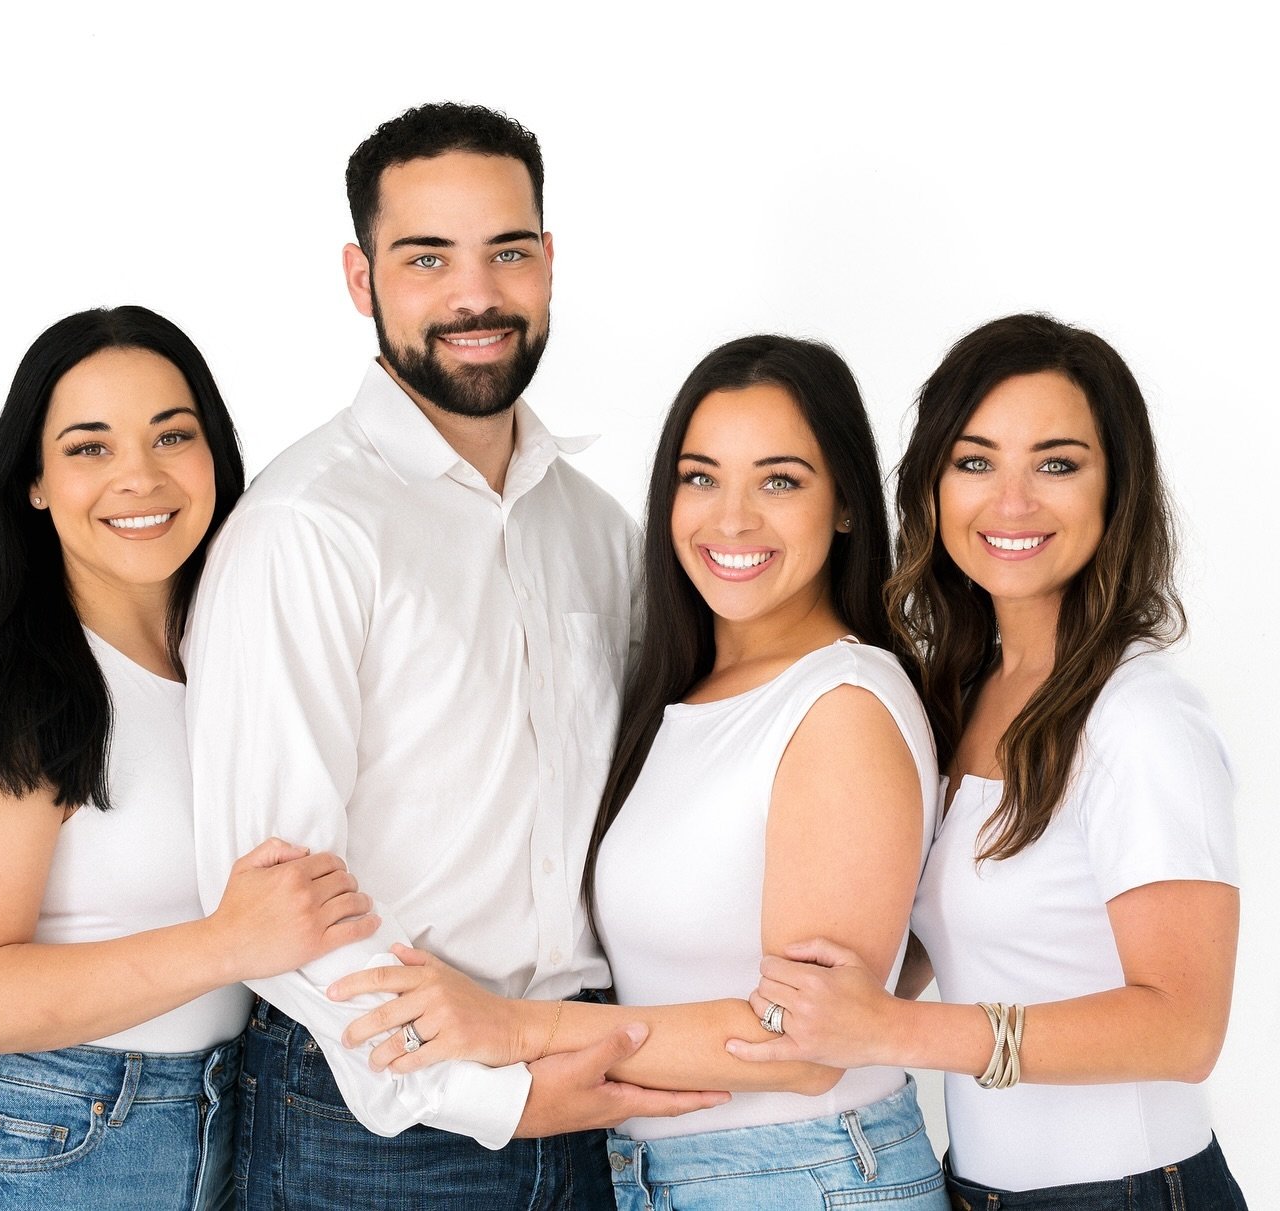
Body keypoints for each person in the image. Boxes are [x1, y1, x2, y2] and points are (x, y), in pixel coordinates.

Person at [184, 103, 723, 1210]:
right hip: (378, 1116)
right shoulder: (308, 528)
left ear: (549, 263)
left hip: (587, 1077)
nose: (476, 295)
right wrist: (490, 1093)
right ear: (359, 275)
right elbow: (277, 890)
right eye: (426, 257)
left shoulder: (597, 527)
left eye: (507, 251)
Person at [330, 335, 950, 1210]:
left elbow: (808, 1044)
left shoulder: (839, 703)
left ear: (846, 503)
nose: (731, 518)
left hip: (800, 1175)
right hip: (666, 1178)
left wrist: (508, 1025)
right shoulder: (680, 692)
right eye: (701, 477)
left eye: (780, 480)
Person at [728, 314, 1248, 1207]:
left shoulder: (1140, 718)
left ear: (1116, 488)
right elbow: (961, 932)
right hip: (976, 1191)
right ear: (930, 486)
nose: (1011, 502)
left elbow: (1182, 1027)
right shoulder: (960, 691)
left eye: (1057, 462)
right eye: (975, 462)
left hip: (1128, 1192)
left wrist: (893, 1030)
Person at [0, 306, 379, 1211]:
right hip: (49, 1147)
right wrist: (225, 941)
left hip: (229, 1128)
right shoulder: (16, 698)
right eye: (89, 447)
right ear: (33, 480)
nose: (139, 477)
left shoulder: (241, 662)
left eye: (171, 435)